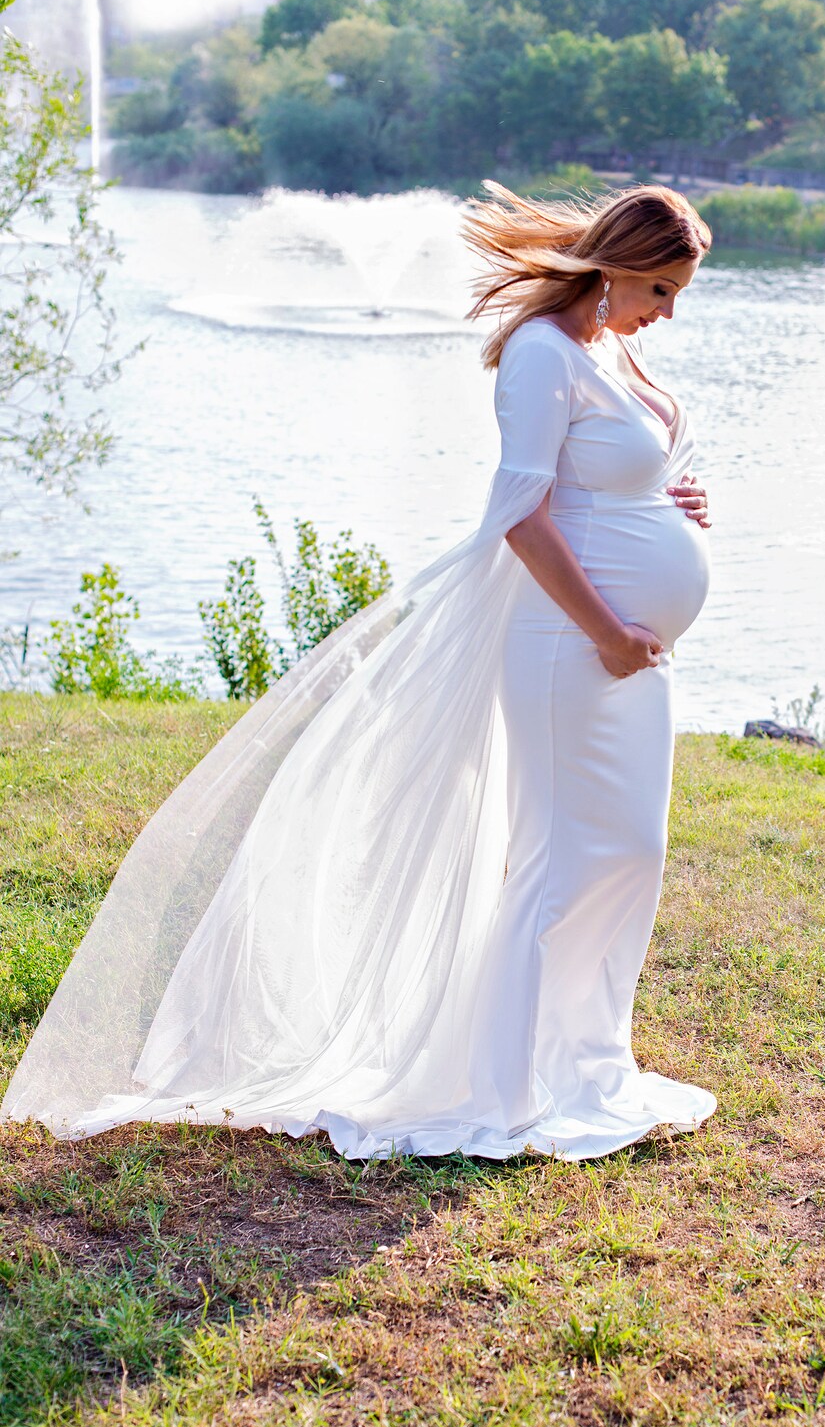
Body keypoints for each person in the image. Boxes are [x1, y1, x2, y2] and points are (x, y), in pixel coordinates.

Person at [1, 182, 718, 1162]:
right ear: (616, 264)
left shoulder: (612, 349)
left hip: (636, 655)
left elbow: (612, 476)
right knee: (563, 857)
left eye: (678, 293)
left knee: (631, 852)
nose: (667, 311)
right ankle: (511, 1083)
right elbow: (520, 516)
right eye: (660, 288)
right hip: (571, 647)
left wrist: (673, 501)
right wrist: (604, 632)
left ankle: (588, 1060)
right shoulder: (543, 352)